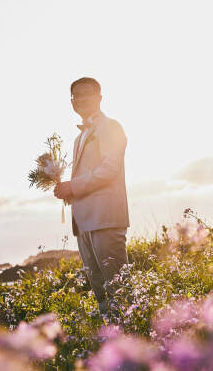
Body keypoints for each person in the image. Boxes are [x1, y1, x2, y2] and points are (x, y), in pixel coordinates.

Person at [54, 77, 129, 316]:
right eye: (76, 96)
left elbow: (109, 170)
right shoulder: (78, 138)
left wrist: (72, 187)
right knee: (100, 293)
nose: (81, 99)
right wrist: (67, 192)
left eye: (87, 94)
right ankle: (111, 341)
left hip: (106, 217)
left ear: (99, 98)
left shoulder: (110, 127)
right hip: (83, 222)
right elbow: (88, 176)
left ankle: (137, 340)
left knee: (120, 289)